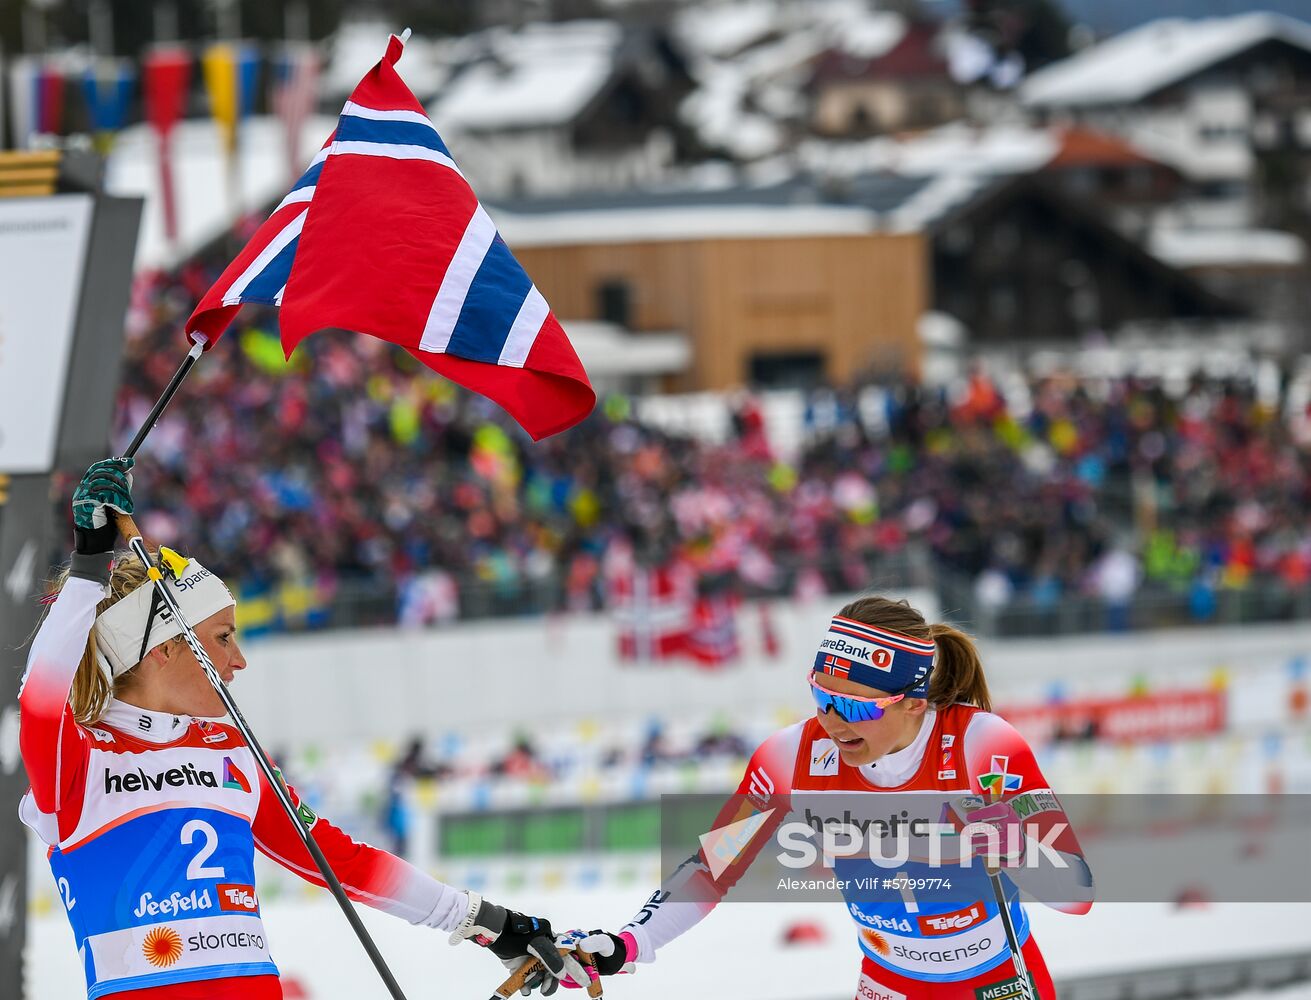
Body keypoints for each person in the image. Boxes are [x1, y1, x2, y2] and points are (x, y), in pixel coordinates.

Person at [19, 459, 587, 1000]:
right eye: (222, 638)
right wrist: (90, 563)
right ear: (165, 649)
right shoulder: (84, 758)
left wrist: (490, 923)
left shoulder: (234, 754)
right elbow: (41, 700)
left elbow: (342, 860)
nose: (238, 661)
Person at [554, 596, 1094, 998]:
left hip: (998, 982)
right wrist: (627, 944)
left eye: (856, 708)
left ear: (912, 702)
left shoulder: (983, 745)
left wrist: (1006, 838)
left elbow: (1076, 893)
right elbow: (712, 865)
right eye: (821, 698)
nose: (833, 723)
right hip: (888, 984)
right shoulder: (788, 758)